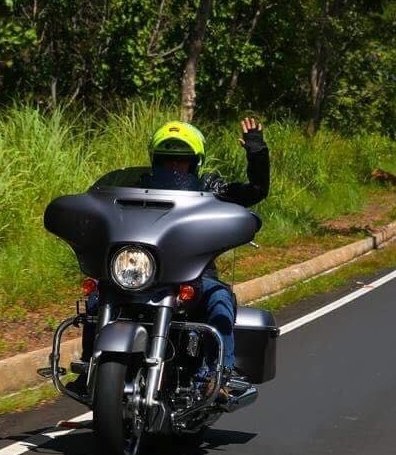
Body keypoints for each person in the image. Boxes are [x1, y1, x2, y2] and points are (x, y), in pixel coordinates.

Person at [71, 118, 270, 405]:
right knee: (96, 297)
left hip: (194, 275)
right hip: (142, 274)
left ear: (194, 163)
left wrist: (256, 151)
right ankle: (92, 366)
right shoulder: (133, 189)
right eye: (167, 161)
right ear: (155, 161)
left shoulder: (210, 187)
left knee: (220, 299)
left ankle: (217, 376)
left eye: (182, 162)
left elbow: (254, 192)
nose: (174, 168)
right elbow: (106, 210)